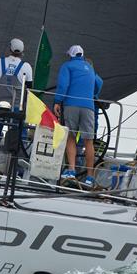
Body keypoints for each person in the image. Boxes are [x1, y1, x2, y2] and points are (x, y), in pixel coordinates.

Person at [0, 38, 33, 172]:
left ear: (9, 49)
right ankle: (17, 169)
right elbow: (29, 89)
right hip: (16, 109)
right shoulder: (26, 66)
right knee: (19, 138)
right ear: (22, 52)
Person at [54, 45, 99, 188]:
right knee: (88, 141)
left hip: (71, 105)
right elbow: (99, 83)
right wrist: (94, 95)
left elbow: (63, 85)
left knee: (71, 137)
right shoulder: (90, 68)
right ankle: (90, 177)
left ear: (71, 55)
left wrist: (57, 101)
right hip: (89, 107)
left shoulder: (67, 66)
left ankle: (71, 170)